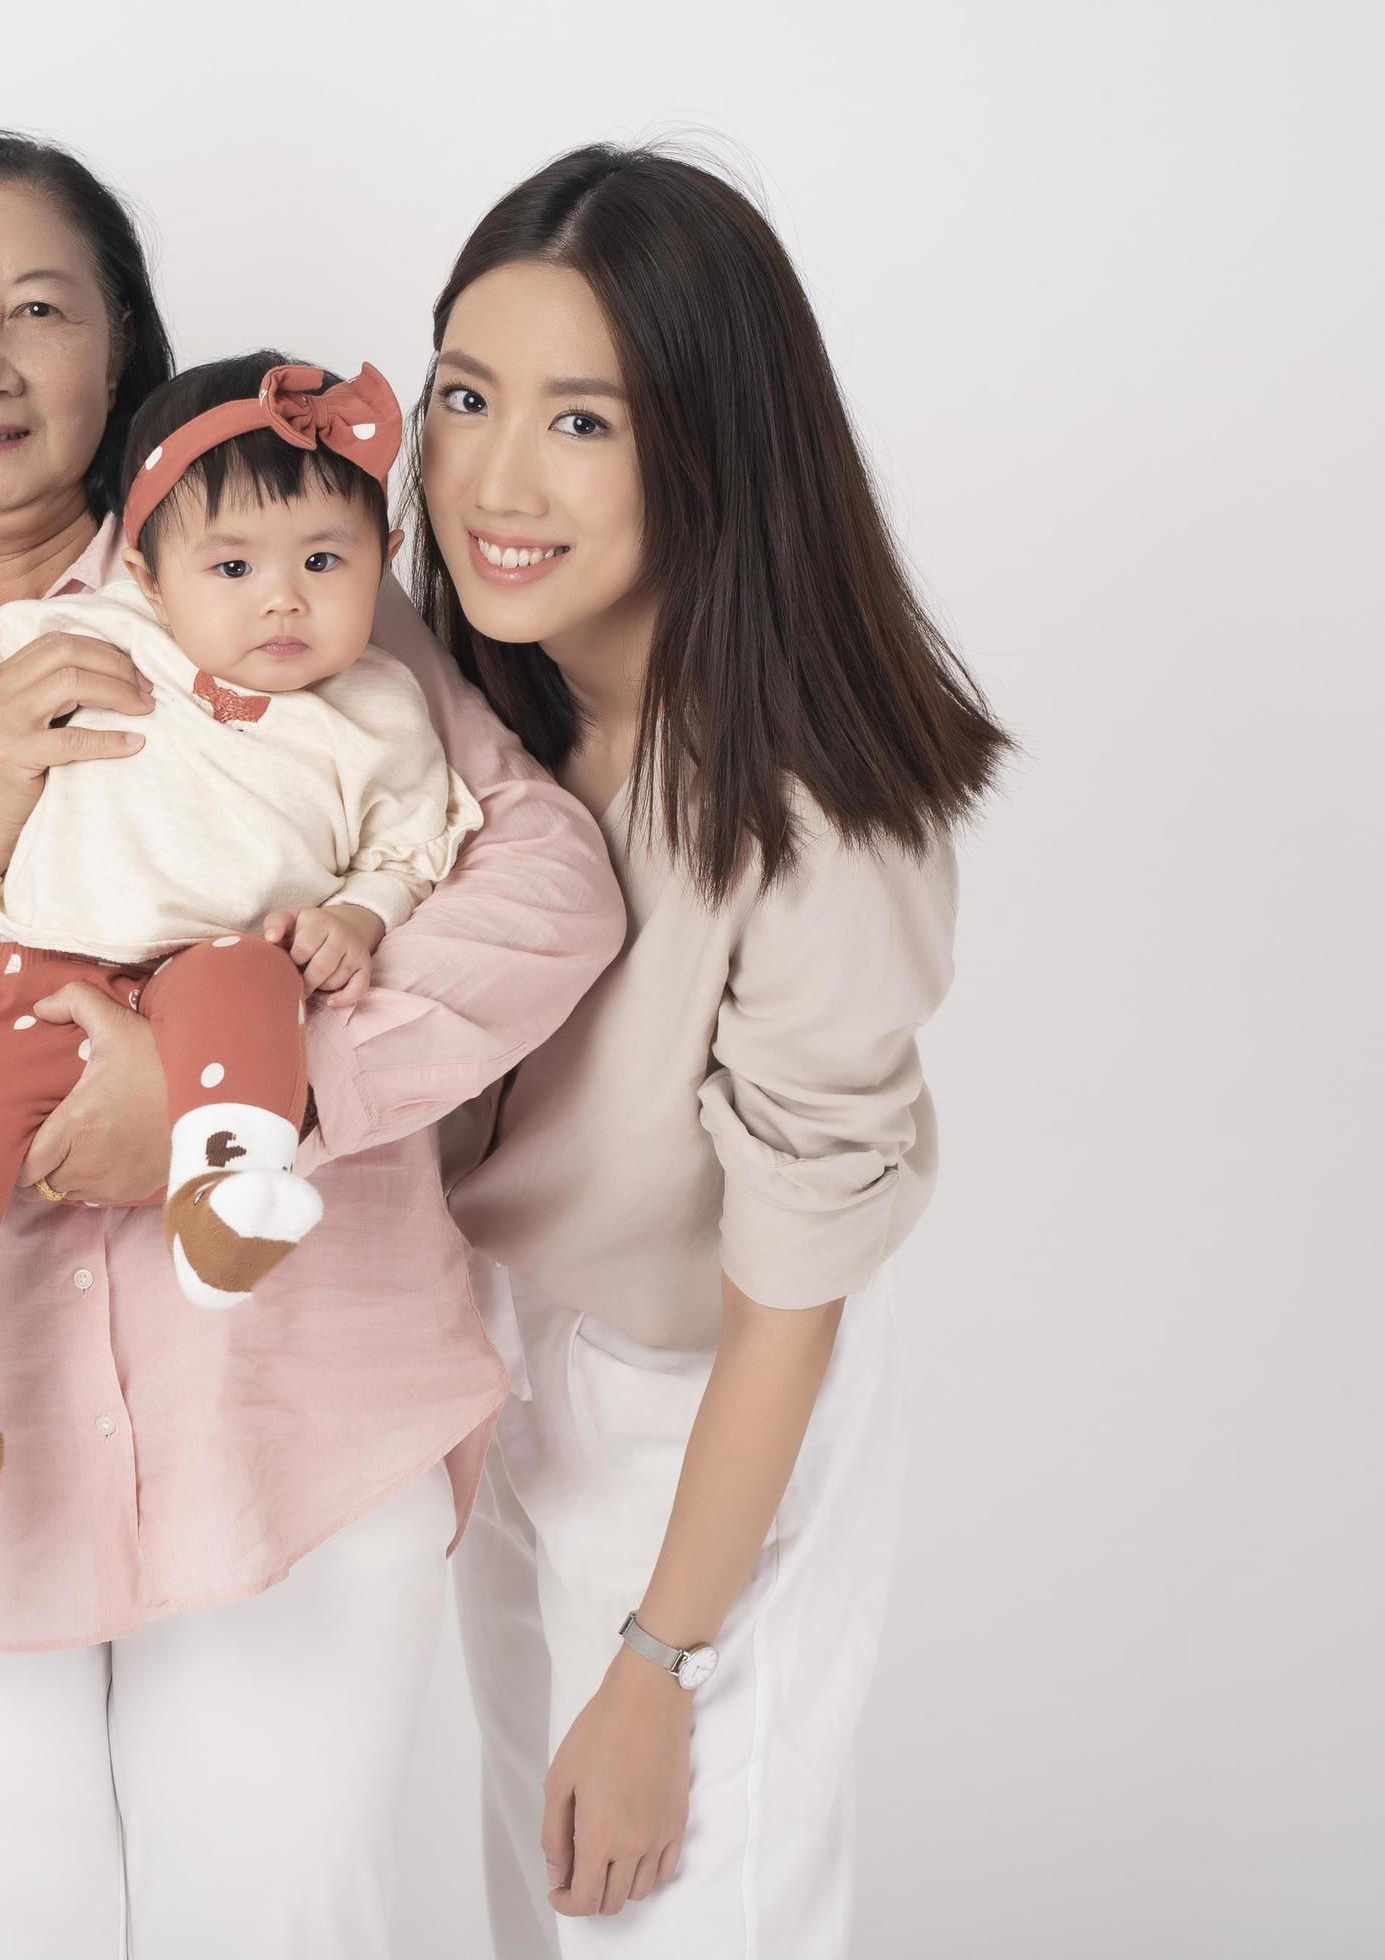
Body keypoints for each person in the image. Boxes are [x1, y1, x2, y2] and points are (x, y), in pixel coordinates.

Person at [0, 130, 622, 1957]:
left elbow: (548, 887)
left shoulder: (279, 584)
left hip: (297, 1420)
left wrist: (258, 1095)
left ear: (121, 352)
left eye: (39, 310)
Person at [423, 146, 1013, 1956]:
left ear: (714, 443)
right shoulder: (481, 696)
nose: (495, 481)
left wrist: (661, 1665)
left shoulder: (817, 812)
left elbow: (789, 1303)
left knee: (679, 1906)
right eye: (464, 396)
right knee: (550, 1908)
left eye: (582, 421)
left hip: (711, 1395)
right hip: (503, 1360)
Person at [0, 351, 483, 1582]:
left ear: (382, 563)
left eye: (325, 563)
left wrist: (361, 912)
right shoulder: (86, 631)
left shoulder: (385, 707)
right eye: (232, 568)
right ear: (149, 573)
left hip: (220, 970)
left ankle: (225, 1200)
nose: (282, 601)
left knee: (254, 978)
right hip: (41, 973)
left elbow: (410, 842)